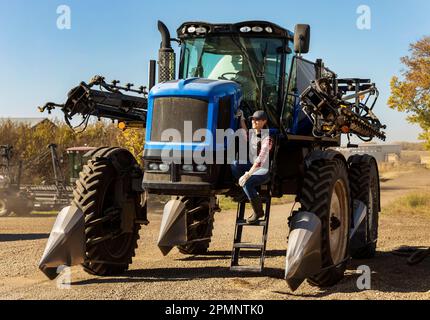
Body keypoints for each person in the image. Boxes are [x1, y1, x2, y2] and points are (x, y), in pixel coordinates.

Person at [231, 109, 273, 223]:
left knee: (247, 182)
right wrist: (242, 118)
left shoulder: (267, 139)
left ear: (264, 121)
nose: (254, 121)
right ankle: (245, 191)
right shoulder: (252, 134)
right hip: (252, 166)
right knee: (235, 164)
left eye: (257, 120)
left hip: (262, 170)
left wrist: (248, 174)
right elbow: (245, 130)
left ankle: (258, 212)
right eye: (253, 119)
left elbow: (260, 161)